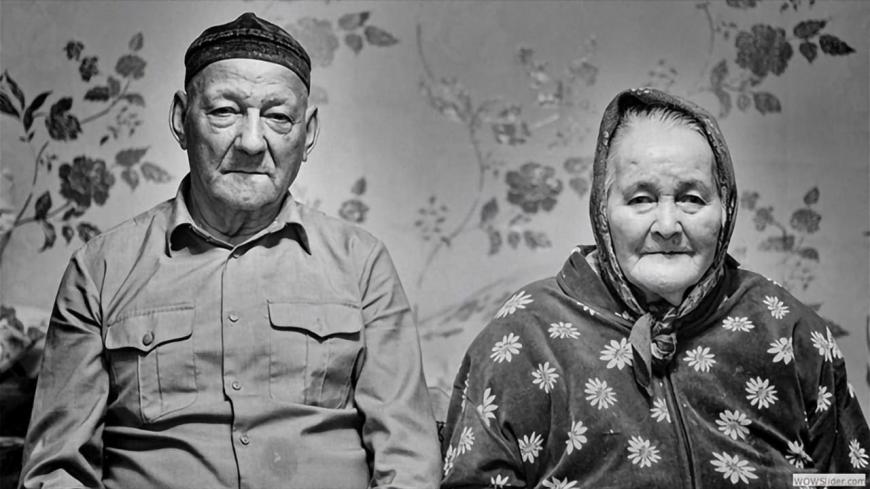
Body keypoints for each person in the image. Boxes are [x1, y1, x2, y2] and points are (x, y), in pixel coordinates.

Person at [20, 12, 440, 489]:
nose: (252, 142)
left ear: (308, 134)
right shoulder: (99, 270)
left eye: (278, 117)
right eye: (225, 111)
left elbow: (408, 461)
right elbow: (55, 471)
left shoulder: (362, 265)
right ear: (181, 120)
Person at [440, 88, 870, 488]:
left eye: (691, 199)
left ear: (725, 208)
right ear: (603, 210)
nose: (667, 226)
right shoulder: (525, 337)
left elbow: (849, 481)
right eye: (641, 199)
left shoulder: (788, 330)